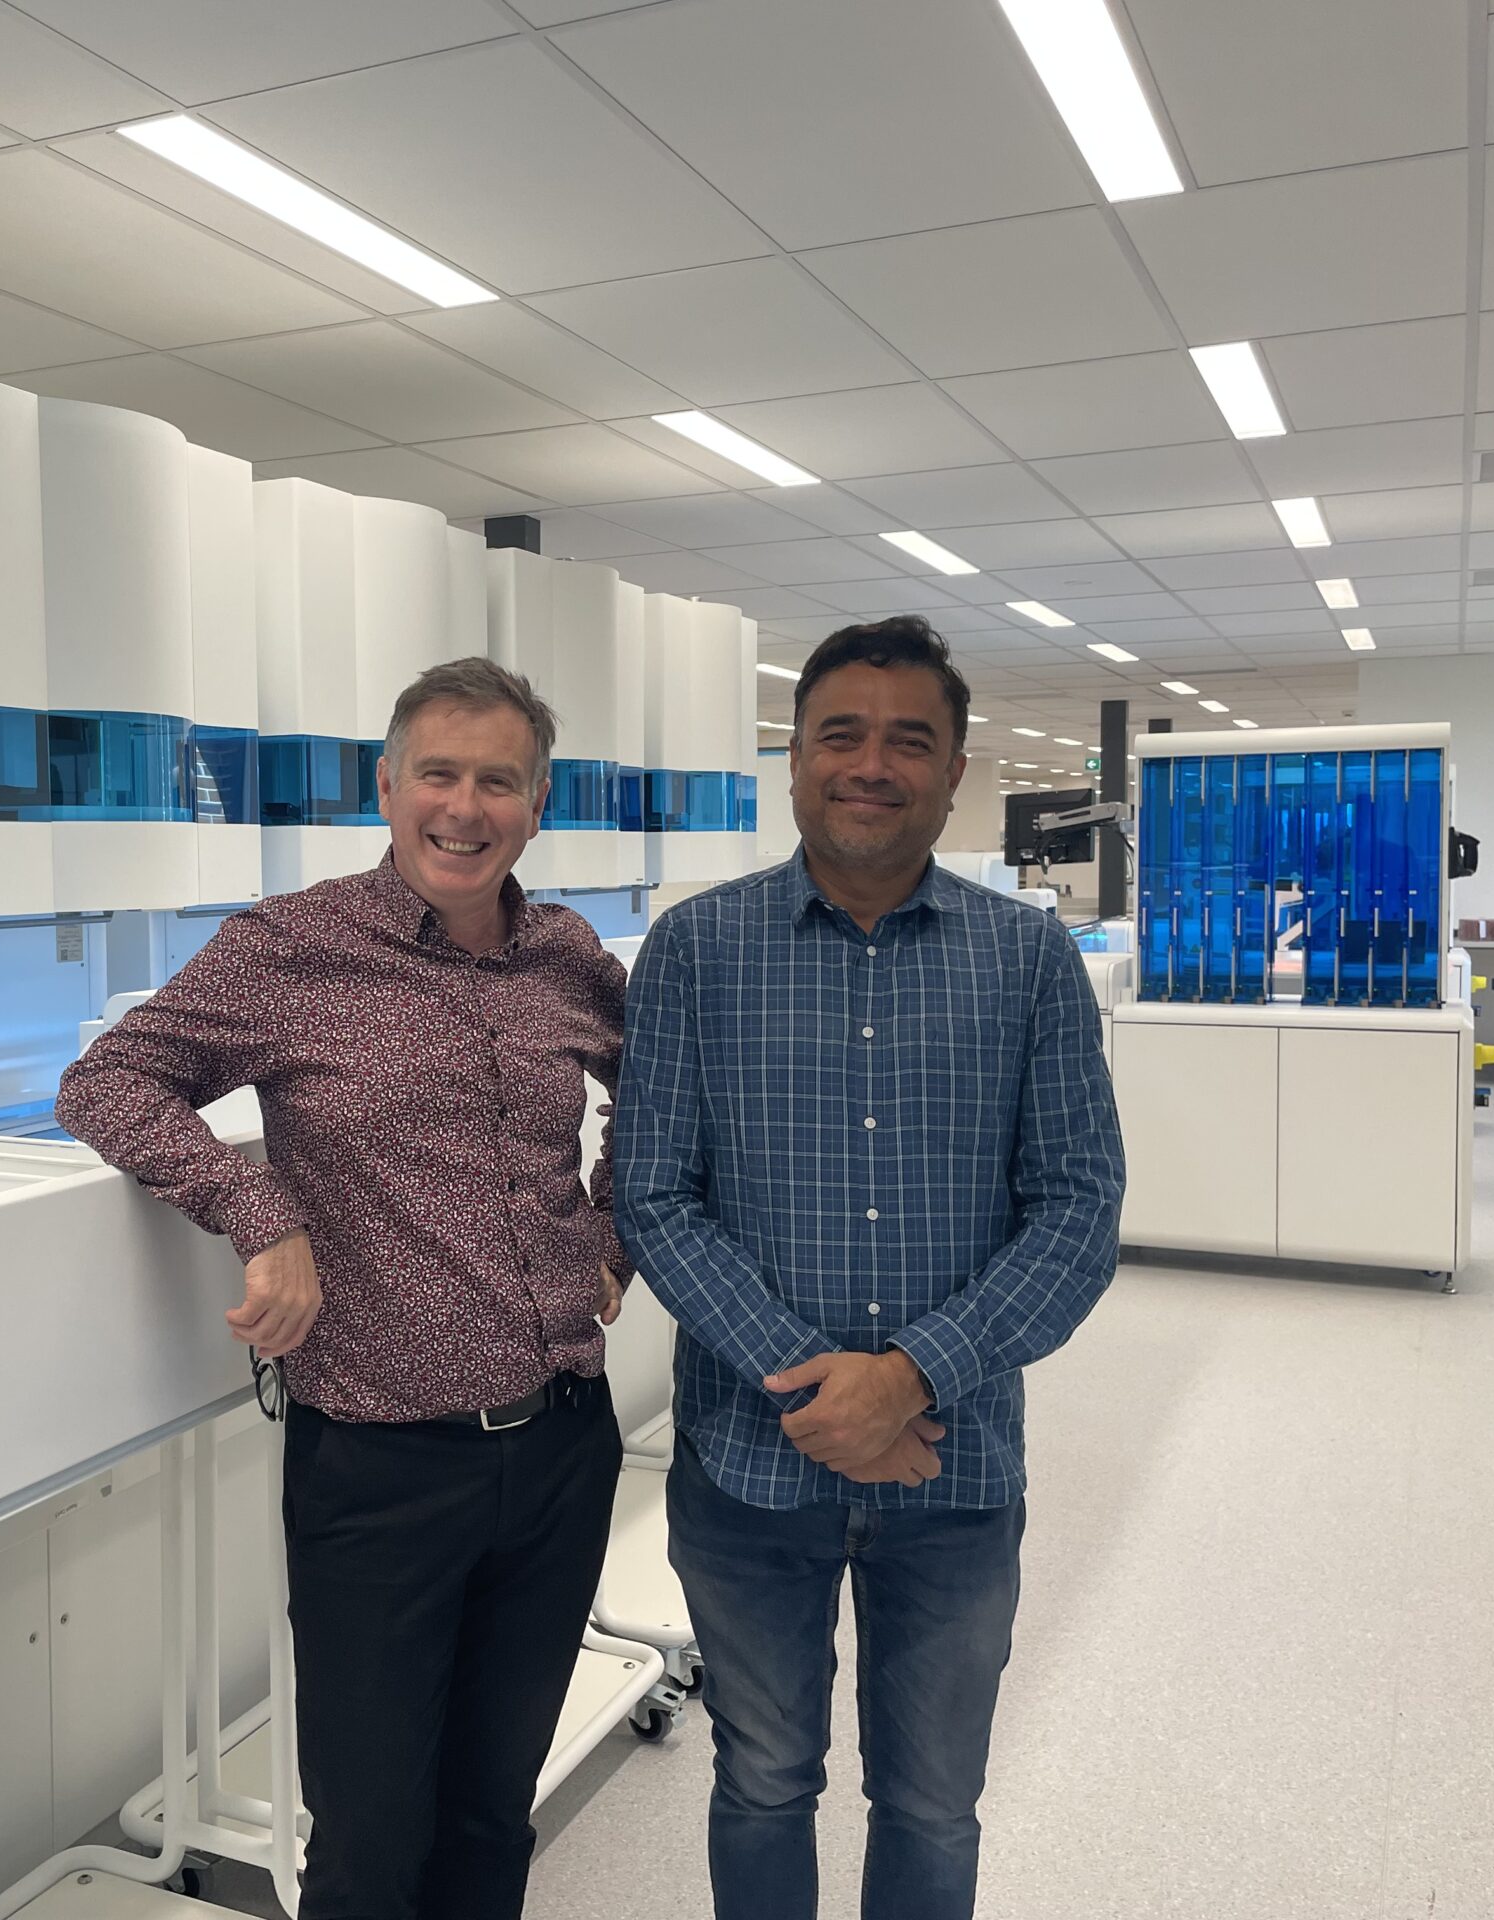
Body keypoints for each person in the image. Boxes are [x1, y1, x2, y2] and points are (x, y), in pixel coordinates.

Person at [55, 657, 630, 1920]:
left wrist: (613, 1225)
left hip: (562, 1448)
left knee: (490, 1814)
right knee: (371, 1841)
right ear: (387, 786)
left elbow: (656, 1090)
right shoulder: (289, 950)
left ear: (539, 803)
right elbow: (105, 1083)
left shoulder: (566, 954)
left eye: (498, 781)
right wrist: (264, 1215)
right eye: (438, 773)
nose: (463, 808)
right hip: (381, 1472)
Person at [614, 616, 1125, 1920]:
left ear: (958, 774)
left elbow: (1078, 1210)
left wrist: (912, 1378)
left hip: (955, 1476)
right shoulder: (695, 950)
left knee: (933, 1804)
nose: (873, 765)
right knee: (765, 1782)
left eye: (913, 741)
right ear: (795, 762)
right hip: (746, 1477)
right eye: (842, 734)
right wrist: (820, 1392)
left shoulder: (1029, 961)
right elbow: (654, 1197)